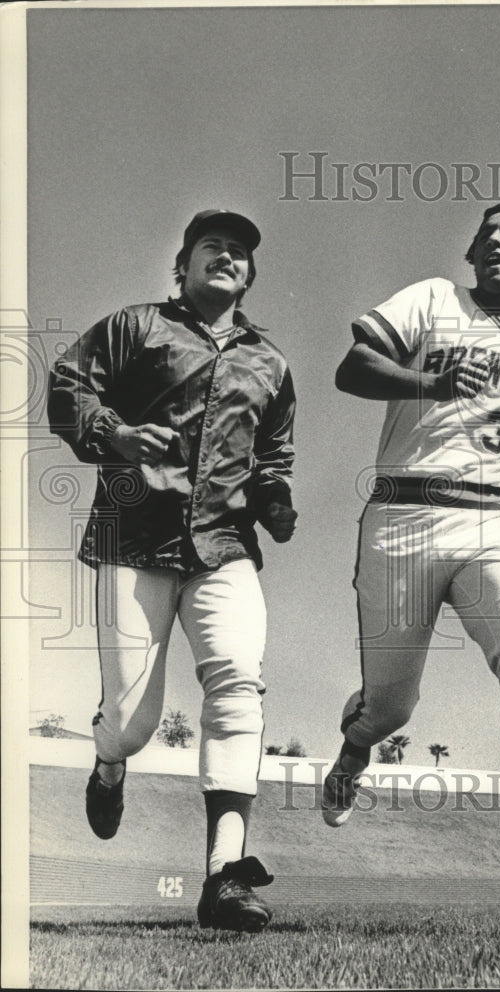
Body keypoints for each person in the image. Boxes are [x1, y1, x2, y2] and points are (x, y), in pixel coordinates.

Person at [321, 198, 500, 920]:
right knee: (392, 706)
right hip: (400, 513)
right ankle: (356, 746)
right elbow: (351, 367)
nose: (490, 242)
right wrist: (428, 381)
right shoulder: (431, 298)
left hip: (485, 518)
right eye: (483, 234)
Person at [47, 209, 297, 933]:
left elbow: (275, 454)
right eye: (212, 246)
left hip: (224, 547)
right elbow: (67, 387)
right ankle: (109, 762)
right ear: (181, 267)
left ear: (248, 276)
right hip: (134, 539)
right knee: (133, 722)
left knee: (237, 683)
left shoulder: (270, 363)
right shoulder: (134, 328)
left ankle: (224, 876)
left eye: (240, 252)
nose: (228, 255)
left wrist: (276, 499)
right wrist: (117, 436)